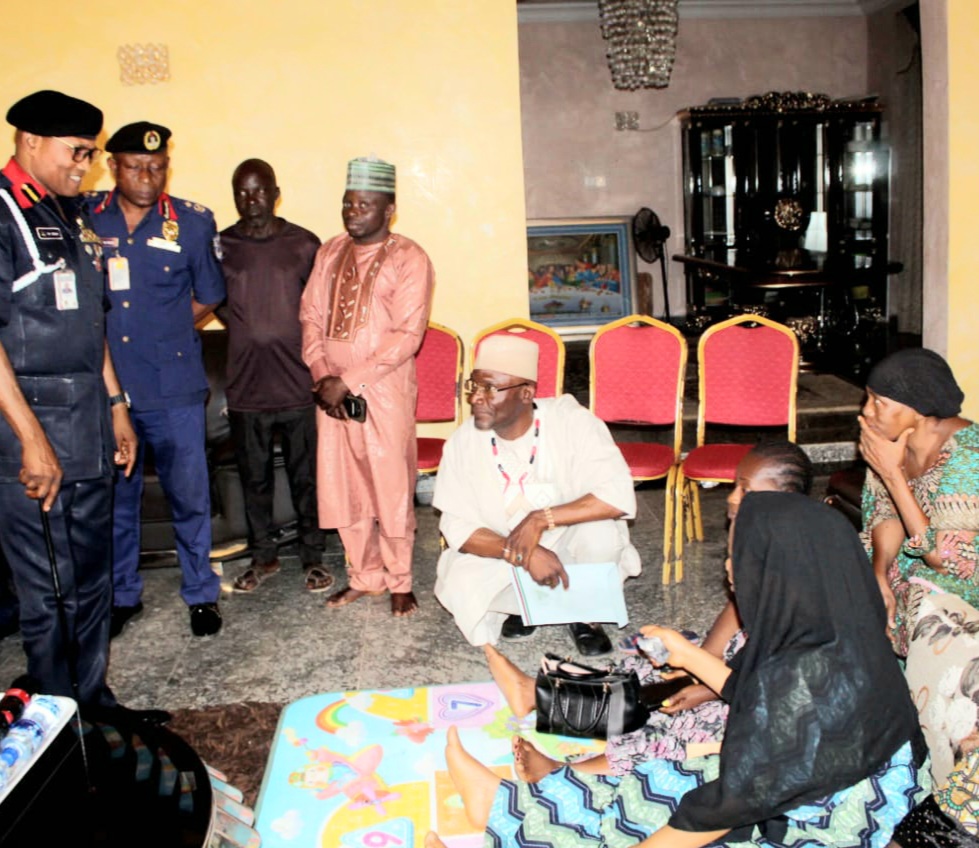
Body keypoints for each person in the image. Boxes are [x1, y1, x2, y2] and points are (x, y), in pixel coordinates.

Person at [426, 493, 929, 848]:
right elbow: (764, 700)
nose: (728, 570)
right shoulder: (836, 630)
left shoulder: (806, 676)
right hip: (800, 782)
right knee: (651, 781)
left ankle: (513, 813)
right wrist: (688, 657)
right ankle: (504, 805)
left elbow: (721, 809)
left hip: (824, 821)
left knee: (659, 800)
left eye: (737, 559)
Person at [485, 440, 813, 777]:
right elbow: (736, 610)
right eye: (735, 486)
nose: (731, 497)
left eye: (745, 490)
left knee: (696, 724)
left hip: (771, 698)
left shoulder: (800, 568)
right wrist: (699, 666)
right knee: (652, 675)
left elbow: (777, 682)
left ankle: (568, 772)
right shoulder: (757, 540)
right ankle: (537, 696)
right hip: (737, 666)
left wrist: (711, 688)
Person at [0, 90, 165, 722]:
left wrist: (117, 406)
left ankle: (94, 703)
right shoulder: (3, 212)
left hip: (89, 421)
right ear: (30, 141)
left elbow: (90, 321)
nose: (85, 166)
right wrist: (31, 440)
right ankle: (55, 718)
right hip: (31, 425)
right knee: (50, 590)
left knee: (94, 580)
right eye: (76, 152)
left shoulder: (70, 214)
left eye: (91, 154)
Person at [87, 121, 226, 638]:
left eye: (158, 166)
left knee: (189, 495)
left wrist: (168, 331)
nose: (147, 176)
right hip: (109, 389)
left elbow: (210, 293)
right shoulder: (86, 216)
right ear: (113, 167)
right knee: (117, 500)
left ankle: (201, 593)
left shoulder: (191, 222)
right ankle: (123, 595)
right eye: (135, 166)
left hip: (174, 388)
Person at [433, 334, 641, 657]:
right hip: (502, 551)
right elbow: (456, 527)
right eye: (474, 386)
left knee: (600, 534)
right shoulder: (462, 442)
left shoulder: (571, 422)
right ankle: (525, 606)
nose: (476, 398)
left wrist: (540, 520)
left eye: (490, 388)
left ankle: (584, 616)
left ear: (526, 393)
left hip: (566, 540)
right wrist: (523, 553)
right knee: (459, 580)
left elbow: (616, 496)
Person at [300, 156, 434, 618]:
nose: (353, 212)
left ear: (389, 210)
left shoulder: (410, 258)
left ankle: (400, 580)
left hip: (382, 391)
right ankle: (365, 576)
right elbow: (310, 316)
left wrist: (348, 380)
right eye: (348, 203)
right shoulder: (329, 251)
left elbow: (407, 335)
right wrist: (323, 375)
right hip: (331, 395)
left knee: (390, 486)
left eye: (364, 204)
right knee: (344, 486)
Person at [219, 159, 329, 594]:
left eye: (259, 190)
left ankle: (313, 557)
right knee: (255, 480)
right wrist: (251, 327)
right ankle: (263, 557)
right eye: (242, 192)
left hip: (298, 383)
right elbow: (214, 299)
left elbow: (321, 306)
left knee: (307, 478)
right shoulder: (222, 245)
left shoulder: (304, 243)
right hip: (247, 386)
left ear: (276, 194)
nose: (251, 200)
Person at [858, 347, 979, 655]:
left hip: (962, 577)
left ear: (918, 409)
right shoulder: (889, 441)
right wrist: (878, 572)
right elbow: (886, 514)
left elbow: (943, 559)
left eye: (879, 402)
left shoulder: (968, 455)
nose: (867, 411)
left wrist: (893, 475)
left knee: (919, 603)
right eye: (868, 398)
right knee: (844, 570)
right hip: (912, 558)